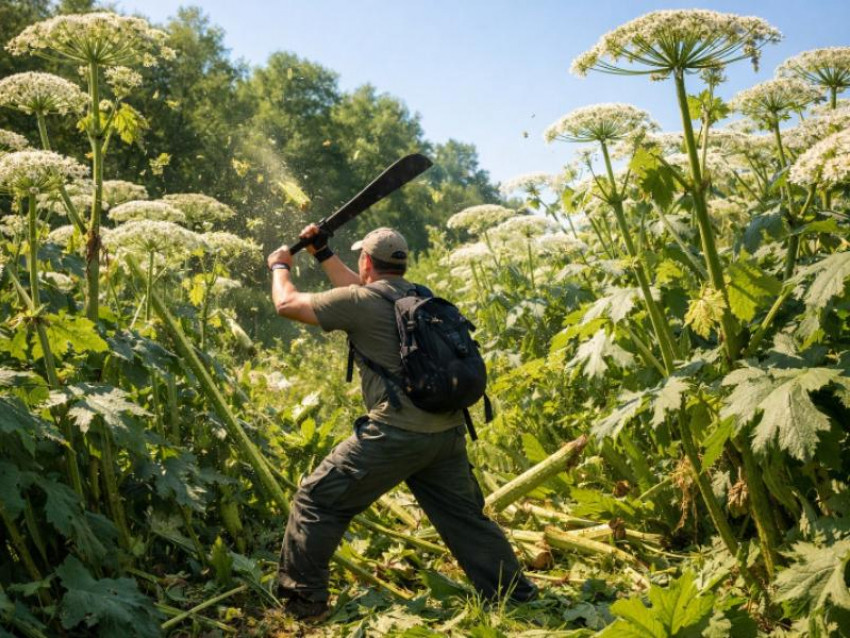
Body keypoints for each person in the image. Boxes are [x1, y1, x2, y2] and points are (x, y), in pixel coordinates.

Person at [267, 224, 537, 620]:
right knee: (465, 519)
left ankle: (303, 604)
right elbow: (355, 293)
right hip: (445, 434)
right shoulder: (418, 296)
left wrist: (280, 267)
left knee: (317, 499)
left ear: (365, 261)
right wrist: (323, 253)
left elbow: (286, 305)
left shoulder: (359, 302)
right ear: (401, 264)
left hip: (395, 436)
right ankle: (517, 597)